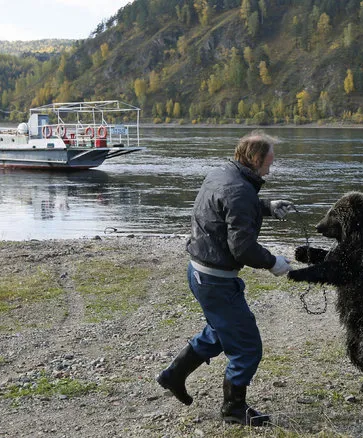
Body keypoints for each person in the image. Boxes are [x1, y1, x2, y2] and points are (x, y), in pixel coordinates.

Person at [157, 130, 294, 427]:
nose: (271, 168)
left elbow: (229, 207)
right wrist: (274, 263)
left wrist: (267, 207)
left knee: (221, 330)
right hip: (216, 280)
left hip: (201, 272)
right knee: (247, 346)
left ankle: (173, 375)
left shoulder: (222, 174)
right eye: (269, 162)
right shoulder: (240, 190)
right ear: (256, 159)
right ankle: (233, 408)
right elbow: (243, 248)